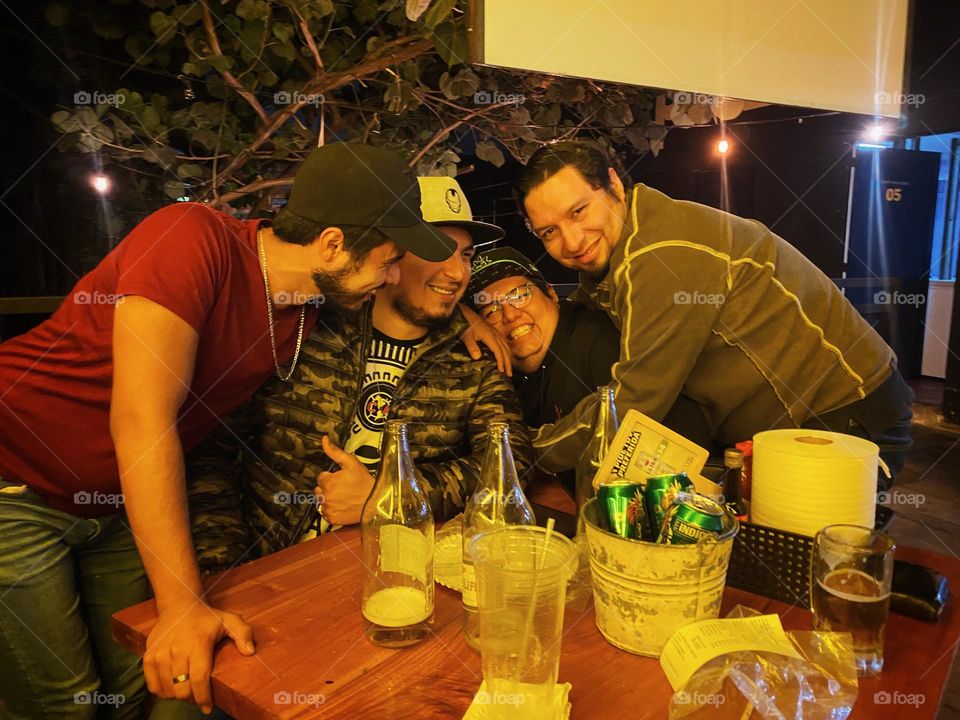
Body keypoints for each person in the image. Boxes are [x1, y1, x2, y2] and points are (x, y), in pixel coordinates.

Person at [0, 143, 461, 719]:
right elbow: (143, 420)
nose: (394, 276)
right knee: (61, 704)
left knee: (143, 680)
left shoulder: (308, 300)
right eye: (388, 260)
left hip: (115, 504)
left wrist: (476, 321)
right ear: (334, 243)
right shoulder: (191, 237)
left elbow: (413, 315)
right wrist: (182, 605)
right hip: (14, 478)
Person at [512, 140, 914, 489]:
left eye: (579, 211)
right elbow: (583, 305)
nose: (572, 240)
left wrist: (524, 449)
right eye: (549, 231)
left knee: (821, 565)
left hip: (843, 416)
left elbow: (633, 402)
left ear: (613, 185)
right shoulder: (631, 242)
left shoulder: (659, 254)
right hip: (792, 428)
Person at [188, 177, 533, 572]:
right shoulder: (304, 328)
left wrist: (388, 494)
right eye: (438, 251)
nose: (457, 273)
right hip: (271, 570)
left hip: (387, 579)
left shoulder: (475, 359)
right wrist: (222, 574)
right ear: (390, 252)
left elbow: (512, 466)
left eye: (467, 255)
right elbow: (216, 448)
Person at [465, 246, 712, 487]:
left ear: (551, 294)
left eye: (519, 295)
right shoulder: (501, 375)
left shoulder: (600, 342)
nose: (509, 315)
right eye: (491, 311)